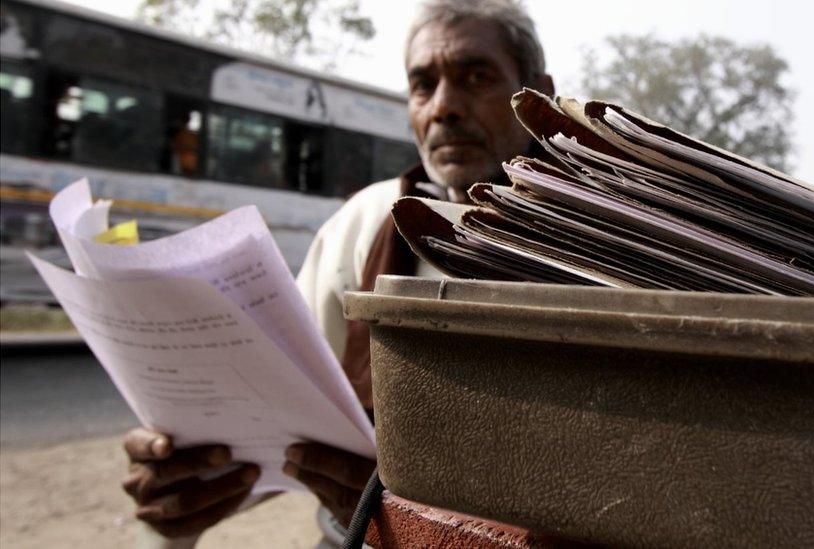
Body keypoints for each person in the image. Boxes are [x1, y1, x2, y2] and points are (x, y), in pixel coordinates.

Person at [121, 0, 555, 546]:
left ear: (535, 95)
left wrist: (408, 526)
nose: (443, 107)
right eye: (423, 85)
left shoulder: (616, 241)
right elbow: (276, 415)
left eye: (476, 76)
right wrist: (189, 476)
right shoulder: (369, 221)